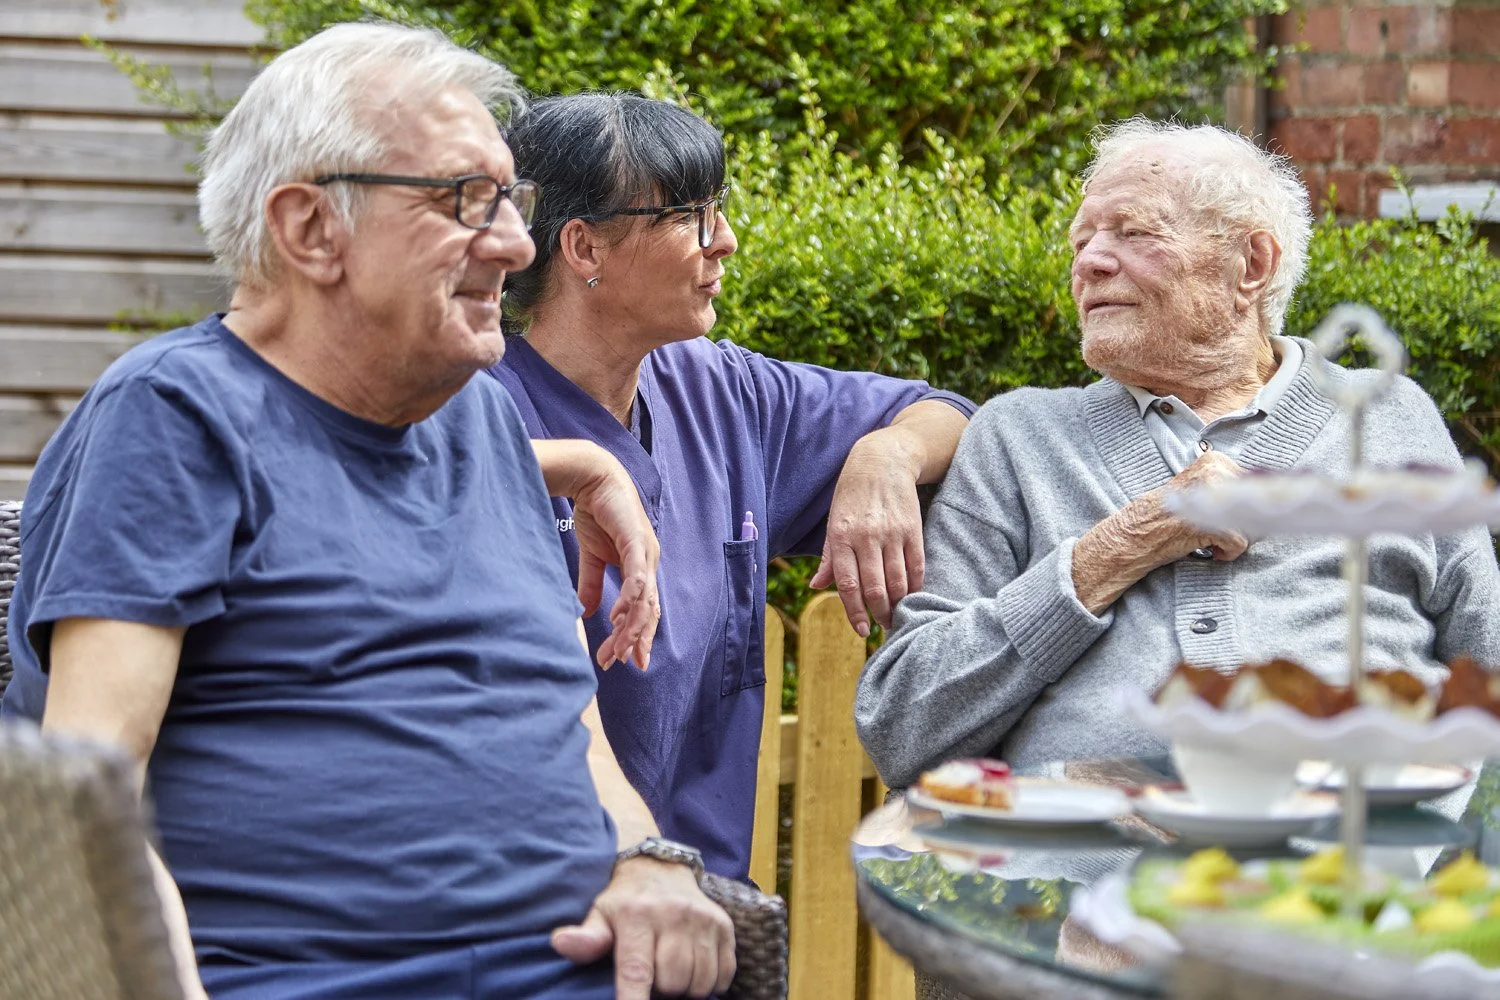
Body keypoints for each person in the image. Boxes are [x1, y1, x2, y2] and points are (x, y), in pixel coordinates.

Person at [1, 23, 735, 1000]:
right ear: (310, 229)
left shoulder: (479, 415)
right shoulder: (175, 419)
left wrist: (645, 852)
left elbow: (558, 709)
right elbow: (89, 800)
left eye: (510, 201)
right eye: (469, 201)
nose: (518, 244)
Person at [855, 118, 1500, 788]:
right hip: (1091, 871)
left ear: (1251, 265)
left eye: (1133, 234)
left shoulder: (1386, 418)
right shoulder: (1018, 437)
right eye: (1082, 241)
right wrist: (1124, 544)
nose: (1089, 262)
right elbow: (902, 727)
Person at [489, 93, 976, 881]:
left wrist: (883, 458)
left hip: (708, 911)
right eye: (691, 216)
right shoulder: (472, 416)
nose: (727, 240)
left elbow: (945, 415)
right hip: (538, 914)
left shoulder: (722, 391)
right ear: (584, 247)